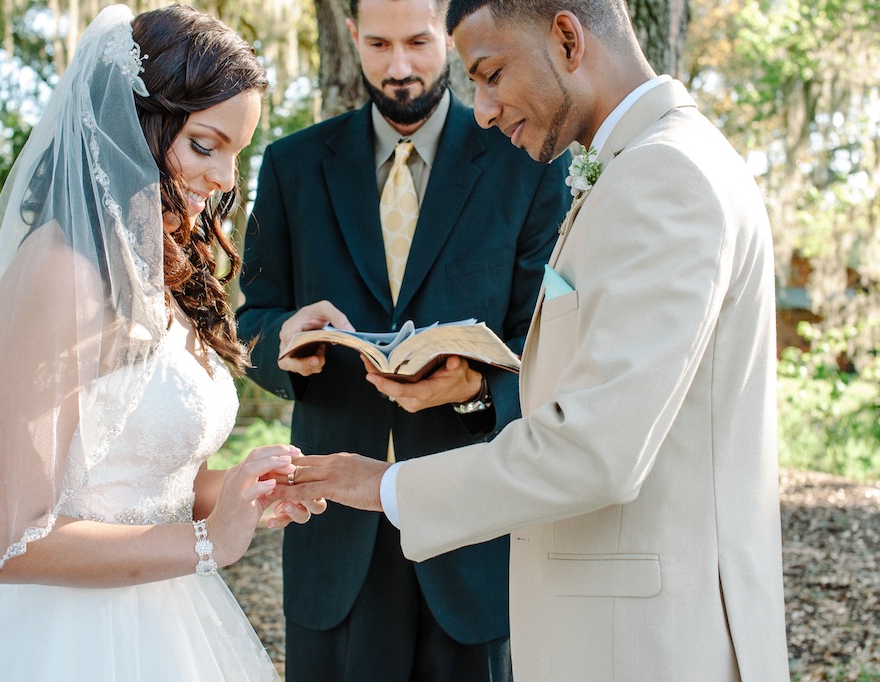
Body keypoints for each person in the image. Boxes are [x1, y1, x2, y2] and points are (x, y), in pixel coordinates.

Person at [273, 0, 792, 680]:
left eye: (490, 74)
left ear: (568, 38)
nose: (482, 109)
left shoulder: (668, 177)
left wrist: (391, 487)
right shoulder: (641, 165)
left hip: (646, 644)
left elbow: (593, 451)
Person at [0, 5, 324, 680]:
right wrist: (203, 543)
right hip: (68, 642)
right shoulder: (59, 271)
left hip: (174, 625)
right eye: (205, 145)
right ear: (136, 125)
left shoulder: (154, 267)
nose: (226, 180)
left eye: (236, 154)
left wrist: (238, 492)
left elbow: (136, 486)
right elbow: (3, 542)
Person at [235, 0, 570, 678]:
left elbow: (548, 344)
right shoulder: (292, 167)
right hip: (332, 534)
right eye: (379, 45)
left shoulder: (527, 161)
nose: (399, 68)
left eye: (418, 43)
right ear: (352, 37)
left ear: (448, 39)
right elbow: (253, 320)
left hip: (471, 530)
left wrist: (479, 386)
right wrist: (281, 341)